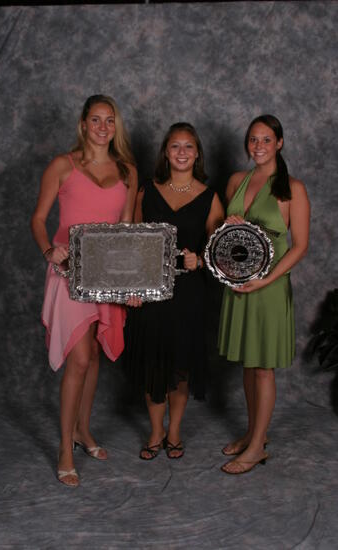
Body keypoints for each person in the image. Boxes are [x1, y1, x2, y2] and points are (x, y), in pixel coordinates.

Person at [31, 95, 138, 487]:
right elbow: (39, 219)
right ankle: (64, 447)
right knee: (78, 357)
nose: (103, 127)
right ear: (83, 123)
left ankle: (83, 430)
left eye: (109, 120)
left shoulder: (128, 171)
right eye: (96, 119)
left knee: (93, 354)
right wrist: (48, 249)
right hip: (69, 271)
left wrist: (131, 284)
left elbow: (128, 234)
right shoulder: (63, 165)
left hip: (107, 275)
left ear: (116, 126)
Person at [124, 122, 224, 460]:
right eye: (175, 146)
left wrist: (201, 261)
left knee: (181, 366)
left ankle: (175, 430)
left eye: (188, 147)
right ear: (166, 153)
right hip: (152, 293)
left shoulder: (210, 197)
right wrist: (133, 288)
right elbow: (133, 245)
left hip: (189, 294)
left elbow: (219, 253)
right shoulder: (147, 192)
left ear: (197, 154)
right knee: (155, 365)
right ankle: (155, 431)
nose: (181, 152)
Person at [218, 114, 310, 474]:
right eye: (253, 140)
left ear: (280, 143)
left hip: (268, 288)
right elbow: (222, 234)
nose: (258, 146)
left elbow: (299, 246)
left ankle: (257, 447)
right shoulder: (236, 181)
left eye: (266, 140)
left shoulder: (293, 189)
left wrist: (265, 281)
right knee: (247, 361)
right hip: (239, 284)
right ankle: (253, 433)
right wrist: (226, 224)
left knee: (262, 369)